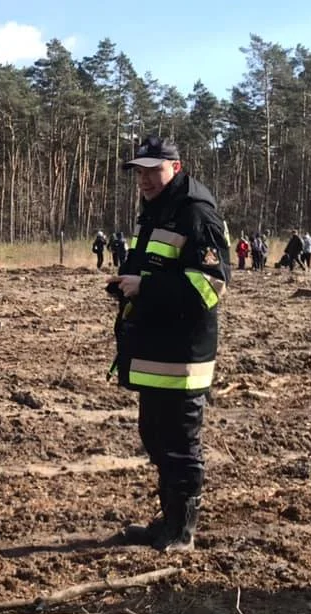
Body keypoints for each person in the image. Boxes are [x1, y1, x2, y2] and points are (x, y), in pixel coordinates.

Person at [107, 135, 229, 553]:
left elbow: (211, 285)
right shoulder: (158, 210)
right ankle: (168, 520)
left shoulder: (195, 213)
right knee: (155, 436)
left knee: (179, 442)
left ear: (175, 168)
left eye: (152, 171)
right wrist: (127, 284)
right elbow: (156, 267)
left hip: (182, 355)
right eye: (138, 172)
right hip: (157, 348)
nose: (143, 179)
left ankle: (182, 530)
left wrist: (147, 287)